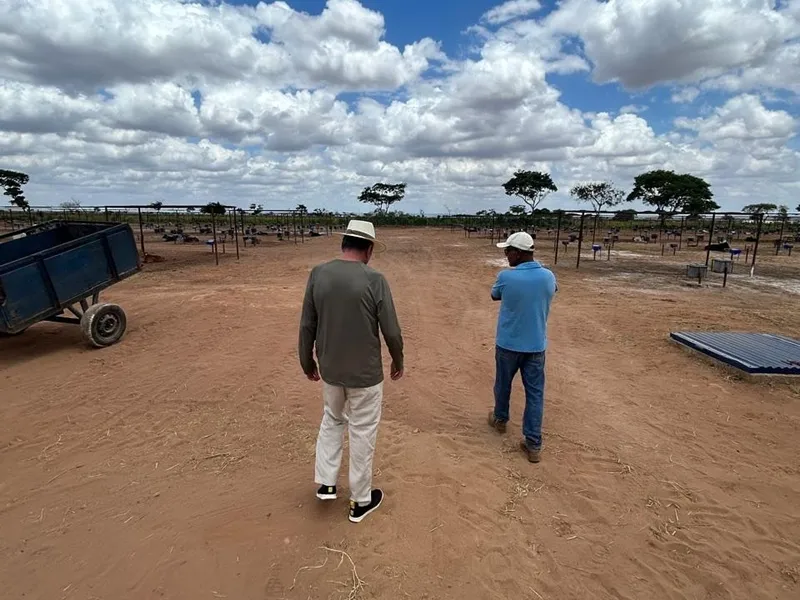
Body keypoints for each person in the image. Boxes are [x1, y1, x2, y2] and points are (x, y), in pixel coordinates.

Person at [298, 219, 404, 523]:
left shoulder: (318, 274)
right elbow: (392, 331)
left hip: (331, 369)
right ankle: (360, 501)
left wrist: (307, 362)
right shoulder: (375, 279)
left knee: (332, 419)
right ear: (369, 249)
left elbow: (308, 324)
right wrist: (398, 360)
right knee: (362, 430)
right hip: (366, 374)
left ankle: (327, 483)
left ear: (344, 243)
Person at [487, 231, 557, 463]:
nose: (506, 255)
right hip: (536, 345)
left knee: (503, 384)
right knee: (535, 394)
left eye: (508, 251)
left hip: (508, 343)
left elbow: (494, 295)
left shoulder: (507, 277)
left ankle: (500, 419)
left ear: (517, 253)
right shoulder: (548, 276)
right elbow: (552, 291)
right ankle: (533, 443)